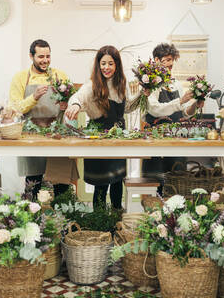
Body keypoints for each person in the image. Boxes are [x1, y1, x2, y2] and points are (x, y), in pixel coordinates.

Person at [65, 45, 147, 210]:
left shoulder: (121, 84)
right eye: (103, 63)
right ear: (98, 64)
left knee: (117, 181)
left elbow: (128, 108)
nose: (106, 67)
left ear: (116, 65)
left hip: (118, 137)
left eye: (110, 63)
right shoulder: (92, 85)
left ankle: (117, 217)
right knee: (101, 183)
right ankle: (100, 222)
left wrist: (142, 94)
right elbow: (78, 96)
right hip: (99, 137)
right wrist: (74, 104)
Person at [9, 39, 76, 199]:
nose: (45, 60)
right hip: (31, 136)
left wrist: (65, 104)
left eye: (48, 56)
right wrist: (34, 96)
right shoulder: (20, 78)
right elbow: (15, 109)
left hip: (57, 135)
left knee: (61, 181)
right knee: (33, 182)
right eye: (40, 57)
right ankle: (32, 219)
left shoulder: (60, 76)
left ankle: (63, 218)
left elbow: (73, 102)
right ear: (31, 56)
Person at [142, 43, 204, 195]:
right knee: (156, 186)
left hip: (176, 139)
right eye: (167, 60)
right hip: (155, 140)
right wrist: (181, 101)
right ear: (156, 60)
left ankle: (174, 218)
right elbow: (154, 109)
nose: (170, 64)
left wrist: (195, 104)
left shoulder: (176, 84)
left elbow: (183, 113)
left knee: (177, 185)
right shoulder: (151, 84)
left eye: (172, 61)